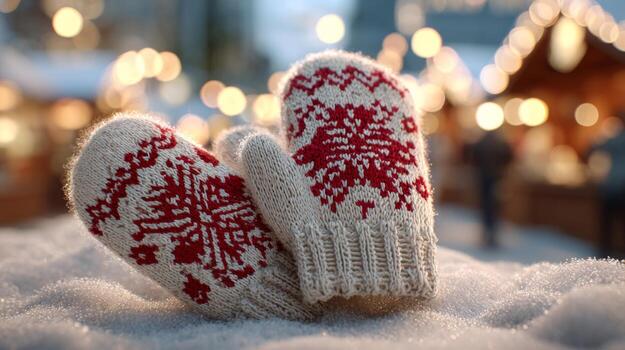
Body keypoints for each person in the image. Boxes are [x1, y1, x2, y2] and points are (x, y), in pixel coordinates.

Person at [469, 131, 513, 247]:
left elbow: (473, 158)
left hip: (486, 179)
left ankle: (488, 232)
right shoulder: (501, 145)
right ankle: (491, 233)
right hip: (495, 179)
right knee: (494, 206)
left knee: (487, 206)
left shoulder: (481, 144)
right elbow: (509, 158)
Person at [591, 112, 625, 257]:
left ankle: (605, 253)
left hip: (611, 187)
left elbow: (592, 148)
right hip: (620, 188)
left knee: (607, 226)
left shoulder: (614, 139)